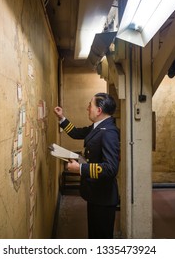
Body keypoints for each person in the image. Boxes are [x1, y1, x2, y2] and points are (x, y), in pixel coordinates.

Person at [53, 92, 120, 239]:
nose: (87, 108)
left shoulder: (109, 132)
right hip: (96, 194)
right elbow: (77, 133)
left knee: (101, 237)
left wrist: (80, 168)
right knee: (95, 235)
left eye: (90, 105)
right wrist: (62, 118)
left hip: (103, 197)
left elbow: (111, 168)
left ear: (99, 110)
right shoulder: (98, 127)